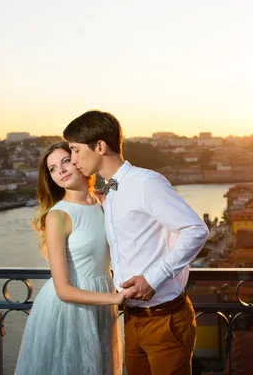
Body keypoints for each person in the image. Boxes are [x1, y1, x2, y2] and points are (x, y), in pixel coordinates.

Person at [63, 110, 209, 375]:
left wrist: (154, 278)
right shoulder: (111, 191)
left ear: (99, 146)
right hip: (132, 317)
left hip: (165, 318)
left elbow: (195, 230)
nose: (72, 161)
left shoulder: (146, 182)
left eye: (75, 150)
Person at [15, 141, 123, 375]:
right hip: (69, 310)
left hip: (101, 302)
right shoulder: (58, 216)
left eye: (65, 161)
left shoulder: (103, 202)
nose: (61, 170)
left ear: (78, 160)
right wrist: (115, 299)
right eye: (52, 168)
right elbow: (63, 289)